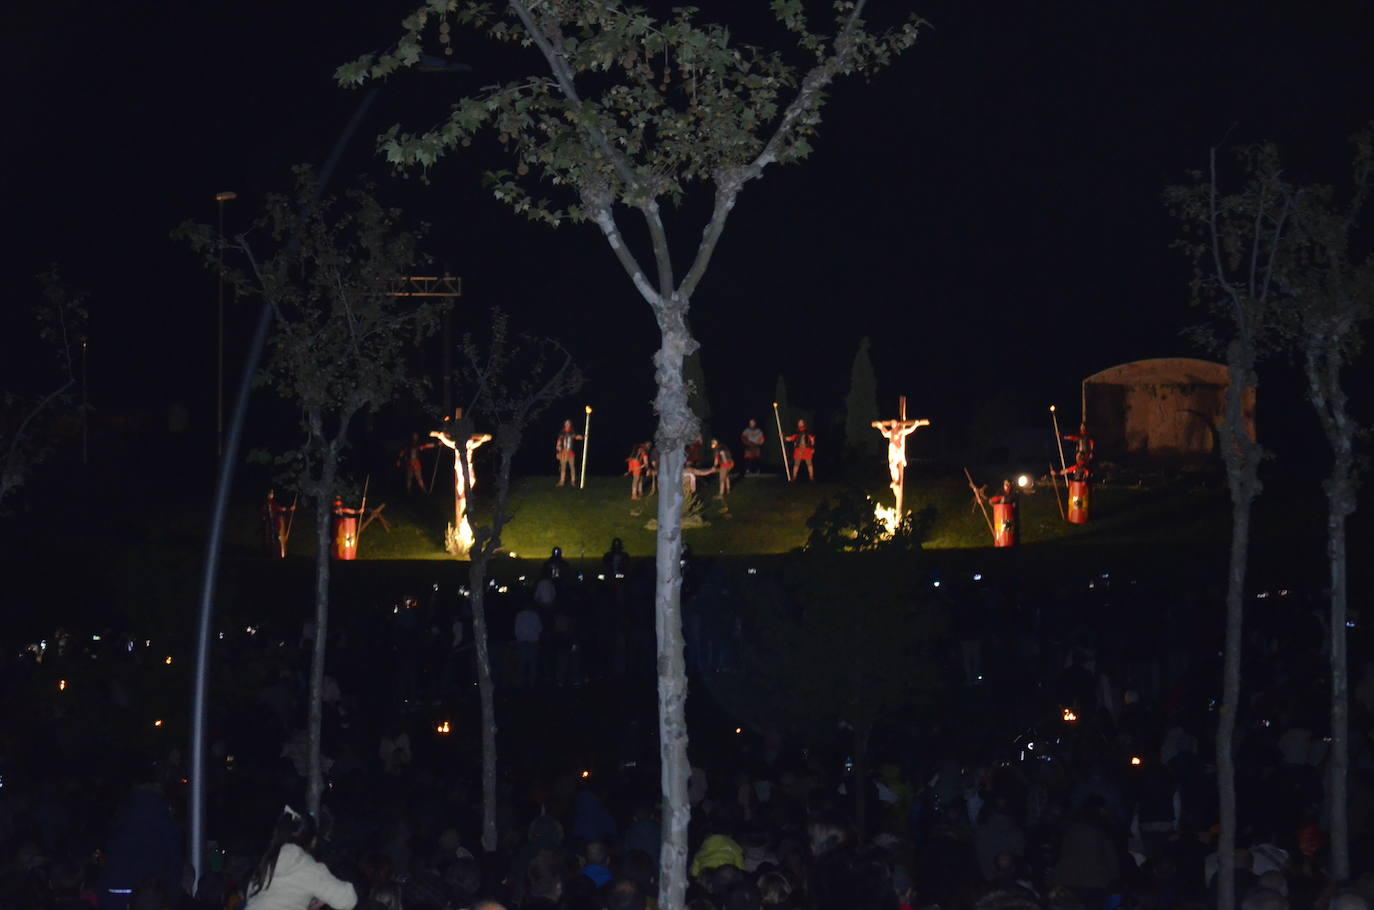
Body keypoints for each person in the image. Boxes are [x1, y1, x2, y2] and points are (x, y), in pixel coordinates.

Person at [244, 806, 357, 910]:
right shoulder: (308, 866)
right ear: (312, 841)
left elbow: (257, 897)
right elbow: (348, 900)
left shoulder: (267, 862)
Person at [870, 415, 930, 506]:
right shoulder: (891, 433)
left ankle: (896, 481)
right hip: (892, 452)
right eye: (892, 424)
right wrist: (880, 426)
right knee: (891, 466)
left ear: (897, 425)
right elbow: (885, 433)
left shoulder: (900, 432)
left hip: (898, 452)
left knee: (893, 465)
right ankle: (895, 481)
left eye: (895, 424)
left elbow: (909, 431)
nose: (893, 426)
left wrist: (915, 425)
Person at [262, 490, 296, 558]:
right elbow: (279, 509)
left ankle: (277, 553)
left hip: (273, 523)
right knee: (274, 539)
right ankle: (275, 554)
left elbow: (279, 509)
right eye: (271, 494)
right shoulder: (269, 503)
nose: (272, 495)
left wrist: (288, 509)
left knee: (274, 539)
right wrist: (289, 509)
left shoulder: (270, 503)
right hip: (273, 524)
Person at [555, 419, 582, 487]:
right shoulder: (561, 432)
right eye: (566, 423)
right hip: (563, 452)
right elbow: (559, 441)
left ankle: (573, 481)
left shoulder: (572, 431)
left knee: (572, 467)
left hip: (570, 452)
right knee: (563, 467)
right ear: (564, 424)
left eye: (568, 423)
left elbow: (576, 437)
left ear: (570, 424)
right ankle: (562, 481)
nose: (567, 424)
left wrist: (581, 437)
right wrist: (558, 448)